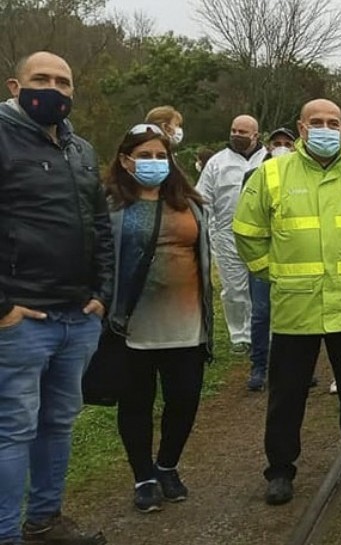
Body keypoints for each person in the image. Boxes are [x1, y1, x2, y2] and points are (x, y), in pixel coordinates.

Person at [233, 98, 341, 506]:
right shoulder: (271, 174)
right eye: (316, 122)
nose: (325, 128)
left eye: (333, 122)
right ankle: (281, 470)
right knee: (287, 393)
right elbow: (247, 232)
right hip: (296, 306)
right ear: (301, 128)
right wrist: (274, 272)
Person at [0, 51, 110, 545]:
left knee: (58, 424)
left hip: (77, 316)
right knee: (12, 431)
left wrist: (102, 293)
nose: (54, 88)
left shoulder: (80, 149)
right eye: (41, 79)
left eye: (63, 81)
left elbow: (100, 226)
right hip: (21, 320)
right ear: (14, 85)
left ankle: (45, 520)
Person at [103, 125, 212, 513]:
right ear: (125, 160)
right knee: (135, 403)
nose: (153, 163)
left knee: (184, 399)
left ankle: (167, 465)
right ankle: (143, 476)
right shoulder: (110, 205)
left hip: (186, 323)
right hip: (132, 325)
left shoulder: (190, 202)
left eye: (160, 156)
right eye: (144, 156)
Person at [196, 115, 266, 356]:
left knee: (266, 284)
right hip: (227, 235)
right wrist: (206, 231)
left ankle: (267, 329)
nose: (236, 135)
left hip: (265, 236)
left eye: (243, 132)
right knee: (235, 288)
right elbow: (202, 199)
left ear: (255, 135)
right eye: (234, 130)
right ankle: (241, 335)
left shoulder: (270, 160)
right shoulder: (216, 163)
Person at [243, 127, 297, 392]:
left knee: (294, 315)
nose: (282, 147)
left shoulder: (301, 178)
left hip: (295, 261)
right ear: (267, 146)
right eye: (277, 143)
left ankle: (294, 368)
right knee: (261, 314)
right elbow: (247, 221)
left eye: (288, 143)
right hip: (264, 260)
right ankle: (259, 367)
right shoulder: (253, 176)